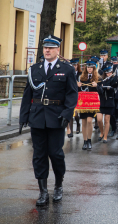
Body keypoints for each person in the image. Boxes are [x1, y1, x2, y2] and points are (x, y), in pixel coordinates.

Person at [19, 35, 78, 206]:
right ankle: (43, 191)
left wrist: (67, 114)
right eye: (45, 47)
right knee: (39, 155)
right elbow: (27, 95)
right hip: (37, 116)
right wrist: (24, 117)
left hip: (56, 116)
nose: (47, 50)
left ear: (58, 50)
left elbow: (72, 94)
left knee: (55, 153)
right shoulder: (35, 69)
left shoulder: (66, 69)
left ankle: (58, 185)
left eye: (51, 48)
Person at [78, 60, 101, 151]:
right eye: (88, 67)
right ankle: (84, 141)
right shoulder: (81, 77)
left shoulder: (98, 78)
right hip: (83, 102)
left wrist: (97, 86)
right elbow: (78, 91)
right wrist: (78, 86)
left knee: (89, 121)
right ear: (86, 68)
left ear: (94, 68)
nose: (89, 69)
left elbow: (101, 92)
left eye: (91, 68)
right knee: (83, 122)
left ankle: (89, 140)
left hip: (92, 103)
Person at [96, 62, 118, 143]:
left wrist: (105, 88)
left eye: (110, 72)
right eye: (107, 72)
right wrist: (103, 88)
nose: (109, 73)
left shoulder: (113, 79)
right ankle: (101, 132)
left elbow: (114, 88)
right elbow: (99, 89)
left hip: (109, 101)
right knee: (99, 119)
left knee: (107, 120)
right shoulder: (101, 79)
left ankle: (105, 136)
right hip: (101, 101)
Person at [67, 58, 82, 138]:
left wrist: (80, 84)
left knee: (76, 115)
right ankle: (71, 131)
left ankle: (78, 124)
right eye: (73, 65)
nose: (74, 66)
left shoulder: (80, 74)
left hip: (79, 95)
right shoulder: (68, 73)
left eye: (75, 65)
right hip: (70, 95)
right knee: (71, 114)